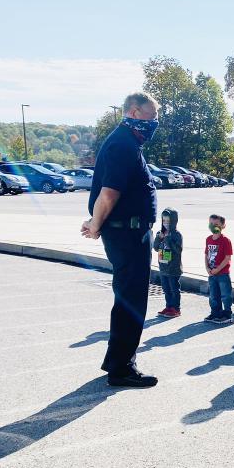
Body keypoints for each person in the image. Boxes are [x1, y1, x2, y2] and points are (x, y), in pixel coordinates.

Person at [81, 92, 160, 389]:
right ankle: (122, 368)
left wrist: (97, 222)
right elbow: (108, 192)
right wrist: (96, 225)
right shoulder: (123, 144)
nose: (154, 124)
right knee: (131, 300)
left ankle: (118, 361)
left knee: (128, 297)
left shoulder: (126, 141)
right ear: (135, 112)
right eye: (151, 117)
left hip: (129, 231)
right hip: (127, 233)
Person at [153, 207, 183, 318]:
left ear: (173, 221)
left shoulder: (176, 235)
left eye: (168, 221)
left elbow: (178, 250)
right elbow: (155, 247)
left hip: (173, 268)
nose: (166, 223)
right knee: (166, 289)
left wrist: (167, 239)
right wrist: (158, 238)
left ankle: (176, 308)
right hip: (163, 267)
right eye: (164, 220)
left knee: (174, 289)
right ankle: (169, 306)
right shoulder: (160, 233)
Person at [205, 214, 233, 324]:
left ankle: (227, 314)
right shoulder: (208, 239)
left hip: (223, 273)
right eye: (211, 223)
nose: (213, 226)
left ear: (223, 226)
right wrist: (207, 267)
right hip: (212, 273)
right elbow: (206, 254)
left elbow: (227, 258)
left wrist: (218, 269)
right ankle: (215, 312)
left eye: (216, 224)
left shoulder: (226, 240)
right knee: (213, 295)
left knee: (225, 294)